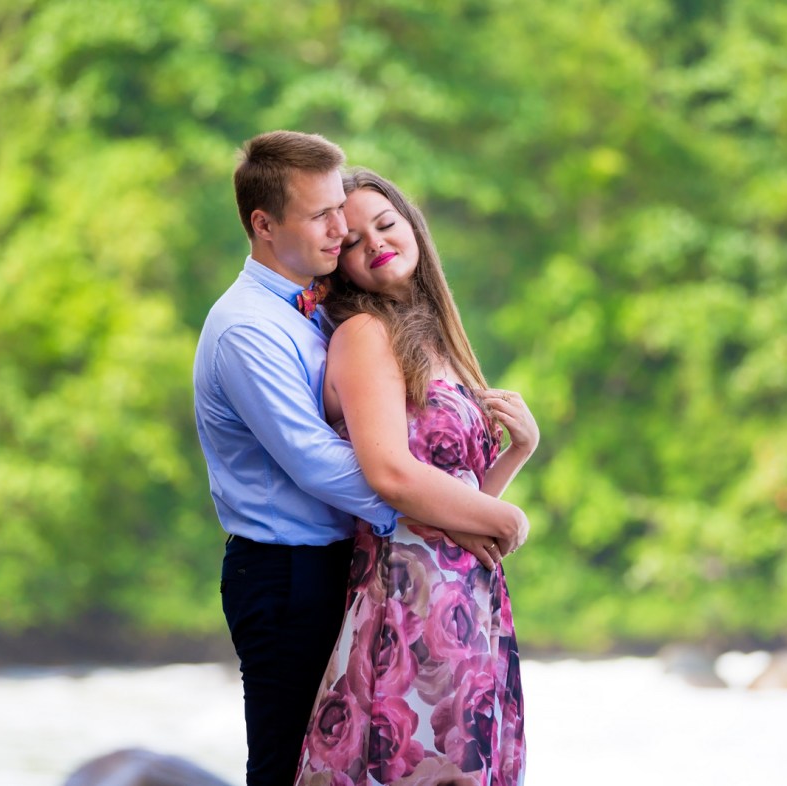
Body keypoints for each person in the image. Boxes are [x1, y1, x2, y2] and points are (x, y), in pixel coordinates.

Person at [192, 131, 530, 786]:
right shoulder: (248, 329)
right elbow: (326, 464)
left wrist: (465, 496)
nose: (339, 226)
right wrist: (447, 514)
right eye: (325, 218)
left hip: (353, 562)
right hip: (286, 573)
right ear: (264, 225)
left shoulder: (317, 315)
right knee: (290, 765)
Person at [293, 169, 537, 786]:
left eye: (386, 224)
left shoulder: (439, 344)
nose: (374, 243)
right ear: (338, 264)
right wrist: (511, 520)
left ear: (413, 228)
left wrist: (517, 452)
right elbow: (391, 477)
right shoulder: (364, 335)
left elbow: (455, 503)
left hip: (468, 599)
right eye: (353, 241)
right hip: (407, 598)